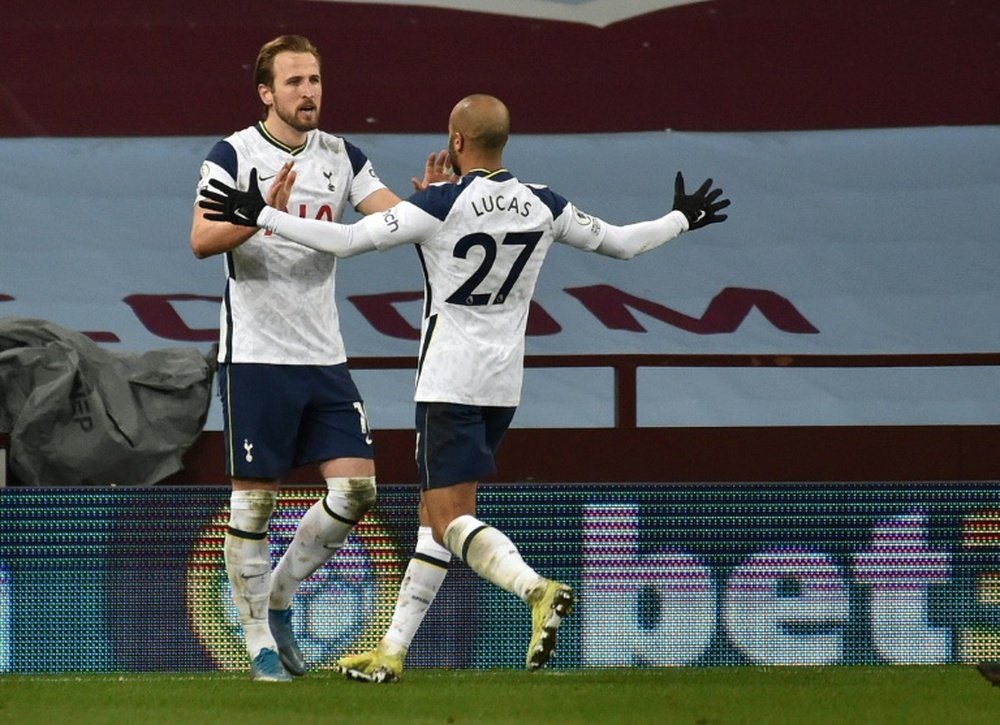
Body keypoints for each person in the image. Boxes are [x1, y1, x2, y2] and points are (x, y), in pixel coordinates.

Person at [199, 93, 730, 682]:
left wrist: (265, 215)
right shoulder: (542, 203)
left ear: (455, 142)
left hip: (449, 379)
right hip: (504, 385)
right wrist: (682, 217)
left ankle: (534, 588)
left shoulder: (442, 203)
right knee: (435, 521)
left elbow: (349, 241)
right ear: (504, 142)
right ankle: (391, 653)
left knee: (449, 519)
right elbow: (625, 243)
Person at [189, 34, 449, 682]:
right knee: (254, 504)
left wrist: (431, 204)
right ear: (266, 92)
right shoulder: (234, 154)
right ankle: (259, 646)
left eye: (315, 79)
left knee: (357, 488)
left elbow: (389, 218)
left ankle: (277, 596)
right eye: (295, 81)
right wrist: (261, 215)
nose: (309, 92)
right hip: (255, 354)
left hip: (323, 353)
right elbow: (201, 239)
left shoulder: (340, 155)